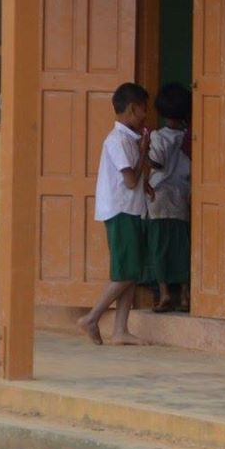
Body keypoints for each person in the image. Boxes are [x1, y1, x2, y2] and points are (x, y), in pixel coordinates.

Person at [79, 82, 150, 345]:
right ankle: (92, 317)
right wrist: (143, 153)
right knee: (125, 274)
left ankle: (120, 330)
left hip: (130, 210)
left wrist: (148, 184)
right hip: (120, 211)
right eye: (143, 109)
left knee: (130, 272)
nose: (145, 115)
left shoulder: (127, 138)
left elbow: (135, 180)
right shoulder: (117, 140)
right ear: (132, 109)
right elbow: (130, 180)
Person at [145, 82, 193, 314]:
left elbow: (157, 162)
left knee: (159, 246)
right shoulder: (189, 138)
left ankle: (164, 294)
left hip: (159, 197)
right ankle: (184, 295)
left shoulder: (158, 136)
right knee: (182, 246)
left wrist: (143, 149)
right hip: (182, 194)